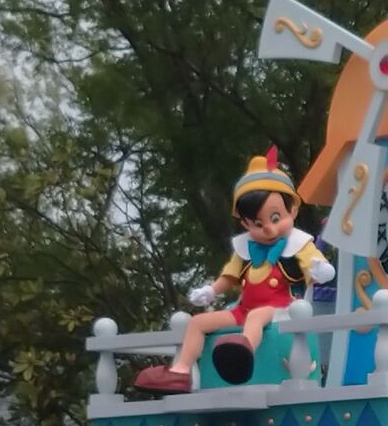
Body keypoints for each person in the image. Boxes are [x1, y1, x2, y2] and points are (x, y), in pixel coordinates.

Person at [135, 147, 334, 392]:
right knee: (197, 323)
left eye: (275, 219)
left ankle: (242, 351)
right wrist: (210, 291)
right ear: (245, 222)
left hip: (280, 308)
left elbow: (314, 264)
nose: (268, 229)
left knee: (256, 317)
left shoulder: (298, 244)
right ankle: (181, 371)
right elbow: (229, 277)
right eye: (258, 223)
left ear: (292, 210)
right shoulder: (245, 248)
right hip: (243, 309)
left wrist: (320, 271)